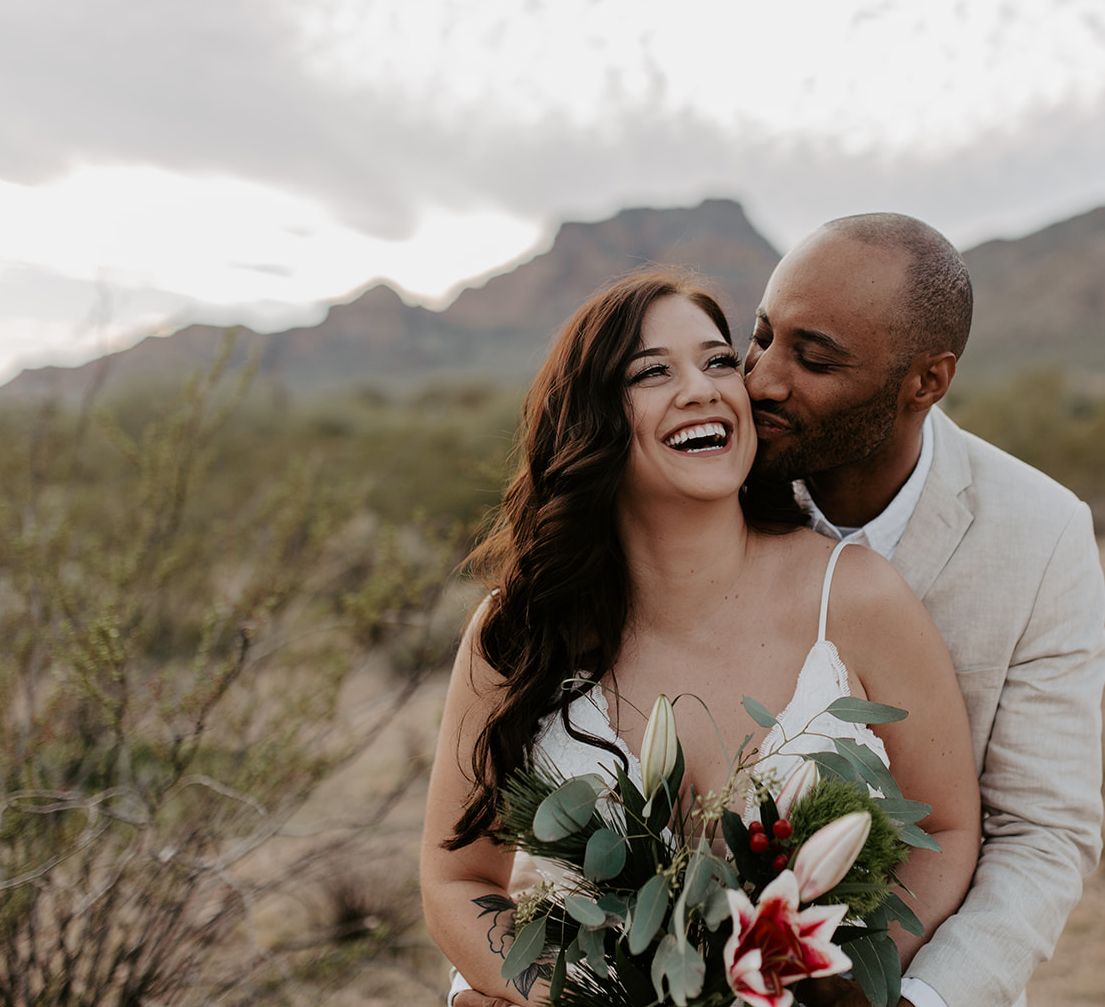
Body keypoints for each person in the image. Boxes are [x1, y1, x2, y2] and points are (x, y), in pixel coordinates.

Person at [420, 271, 983, 1006]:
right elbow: (456, 877)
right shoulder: (518, 631)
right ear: (590, 420)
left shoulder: (855, 596)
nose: (703, 388)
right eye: (652, 371)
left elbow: (943, 829)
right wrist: (570, 994)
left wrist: (810, 984)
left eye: (720, 361)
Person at [743, 213, 1105, 1007]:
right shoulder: (704, 489)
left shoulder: (1042, 534)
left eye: (813, 358)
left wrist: (918, 998)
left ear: (926, 381)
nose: (762, 379)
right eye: (763, 335)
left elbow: (1044, 832)